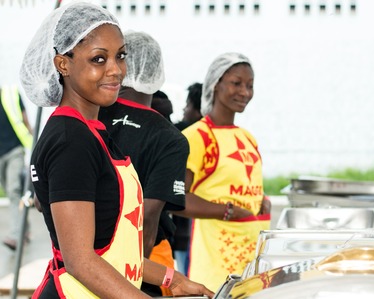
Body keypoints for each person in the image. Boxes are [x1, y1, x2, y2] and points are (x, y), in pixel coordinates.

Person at [19, 2, 212, 298]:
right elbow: (81, 261)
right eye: (99, 59)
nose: (116, 70)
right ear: (63, 64)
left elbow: (113, 251)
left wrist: (172, 278)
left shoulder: (93, 131)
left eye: (120, 56)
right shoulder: (71, 140)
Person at [98, 31, 191, 297]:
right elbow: (146, 220)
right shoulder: (169, 138)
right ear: (157, 73)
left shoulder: (87, 119)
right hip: (142, 268)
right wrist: (130, 287)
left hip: (80, 264)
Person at [175, 52, 272, 291]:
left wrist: (262, 201)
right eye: (236, 83)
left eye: (250, 85)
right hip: (215, 266)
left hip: (252, 264)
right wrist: (228, 211)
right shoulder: (197, 137)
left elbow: (242, 186)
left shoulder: (247, 138)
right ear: (216, 84)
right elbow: (178, 199)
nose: (245, 92)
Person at [171, 82, 203, 275]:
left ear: (198, 110)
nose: (184, 109)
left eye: (188, 105)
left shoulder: (184, 132)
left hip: (185, 232)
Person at [0, 84, 33, 250]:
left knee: (14, 190)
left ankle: (15, 235)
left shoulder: (10, 93)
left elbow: (25, 120)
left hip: (15, 150)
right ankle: (25, 229)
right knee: (11, 192)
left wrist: (37, 145)